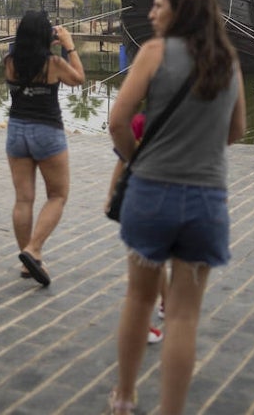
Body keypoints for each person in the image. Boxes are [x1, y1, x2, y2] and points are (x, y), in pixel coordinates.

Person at [105, 0, 246, 415]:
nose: (151, 13)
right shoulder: (229, 62)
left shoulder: (153, 54)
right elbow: (237, 131)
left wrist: (135, 161)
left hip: (151, 196)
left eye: (158, 6)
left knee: (140, 298)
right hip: (206, 202)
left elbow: (117, 122)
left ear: (179, 11)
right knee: (184, 316)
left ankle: (125, 398)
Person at [4, 11, 85, 286]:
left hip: (16, 131)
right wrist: (69, 45)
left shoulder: (9, 61)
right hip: (46, 131)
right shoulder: (53, 63)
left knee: (23, 199)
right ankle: (33, 249)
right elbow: (79, 79)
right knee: (58, 195)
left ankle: (28, 264)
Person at [107, 112, 168, 343]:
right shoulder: (192, 116)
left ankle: (143, 323)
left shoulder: (140, 121)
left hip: (143, 196)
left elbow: (123, 160)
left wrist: (111, 195)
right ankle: (167, 305)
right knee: (158, 258)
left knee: (145, 265)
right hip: (184, 194)